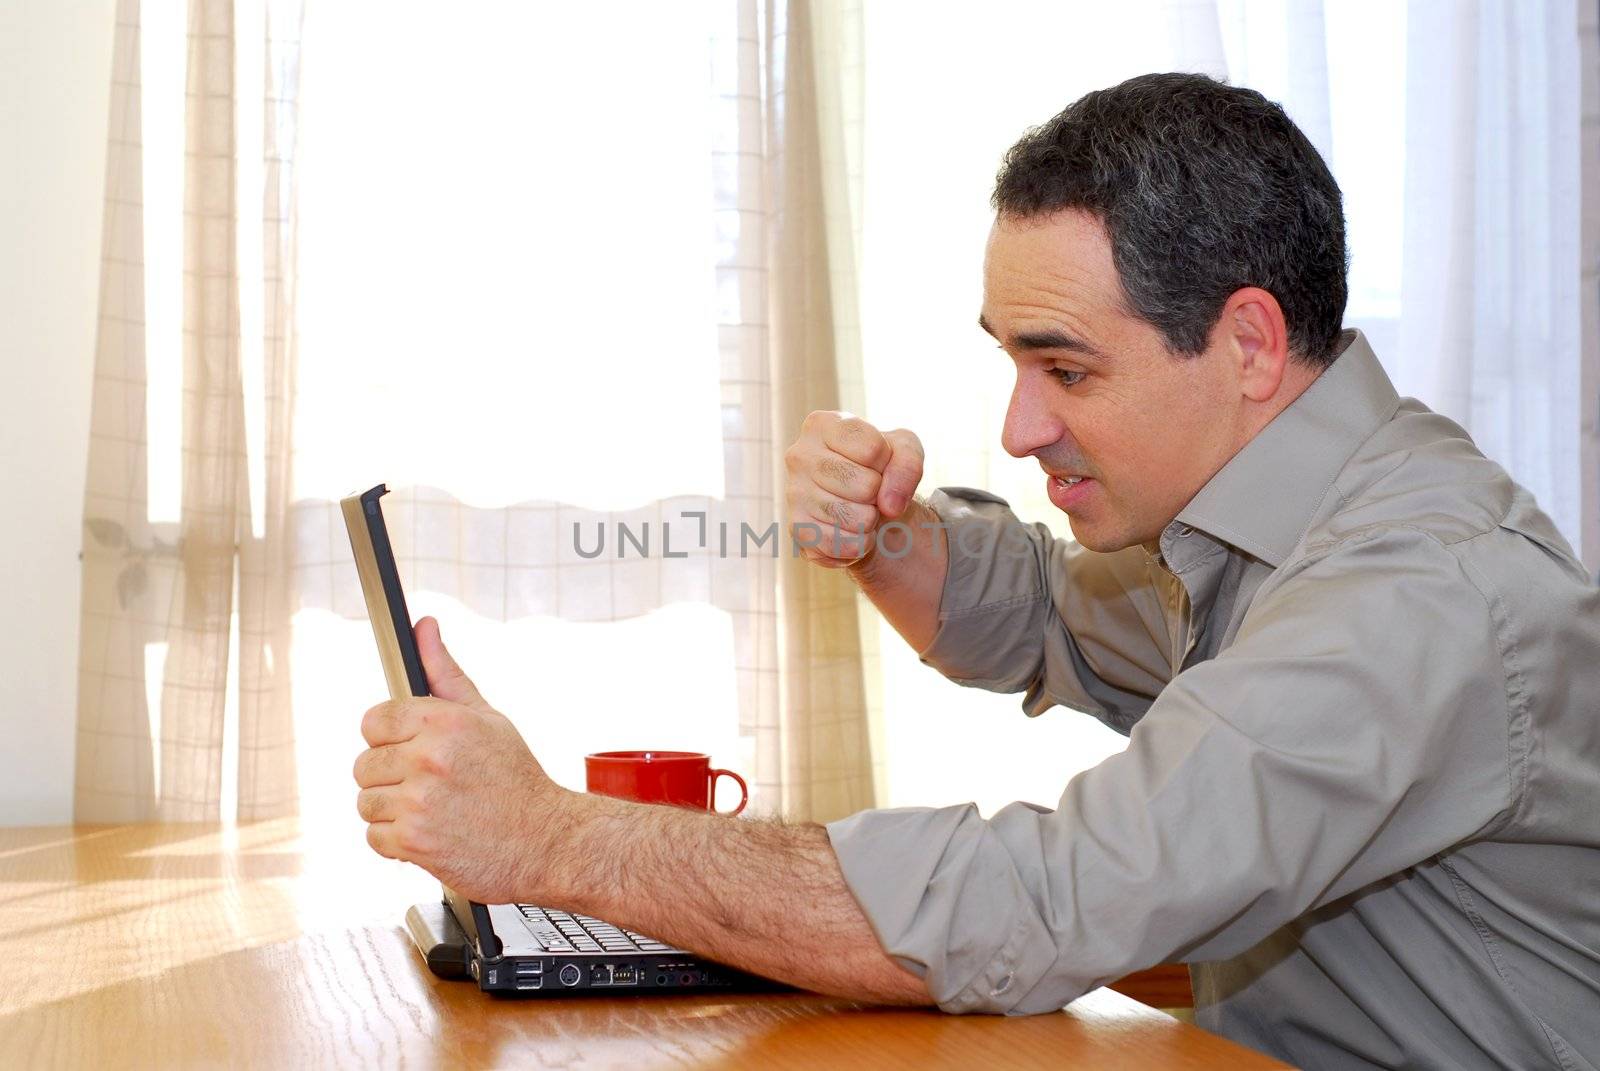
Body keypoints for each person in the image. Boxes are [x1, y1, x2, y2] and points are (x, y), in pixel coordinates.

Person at [351, 73, 1600, 1069]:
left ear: (1248, 345)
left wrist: (553, 840)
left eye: (1065, 370)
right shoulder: (1258, 516)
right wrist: (880, 529)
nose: (1017, 427)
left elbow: (1041, 902)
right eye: (1011, 362)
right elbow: (1050, 616)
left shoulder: (1411, 591)